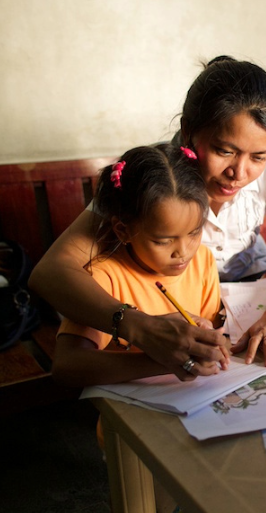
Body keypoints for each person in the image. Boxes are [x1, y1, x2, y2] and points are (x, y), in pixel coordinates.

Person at [31, 56, 266, 373]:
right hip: (175, 301)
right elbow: (51, 272)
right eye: (224, 151)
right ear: (188, 131)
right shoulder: (156, 178)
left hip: (242, 301)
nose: (238, 173)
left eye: (258, 156)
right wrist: (137, 326)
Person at [51, 144, 230, 386]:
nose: (183, 252)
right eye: (163, 241)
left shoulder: (202, 260)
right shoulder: (104, 278)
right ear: (123, 230)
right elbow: (66, 365)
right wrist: (162, 360)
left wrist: (209, 344)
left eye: (194, 232)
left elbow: (214, 332)